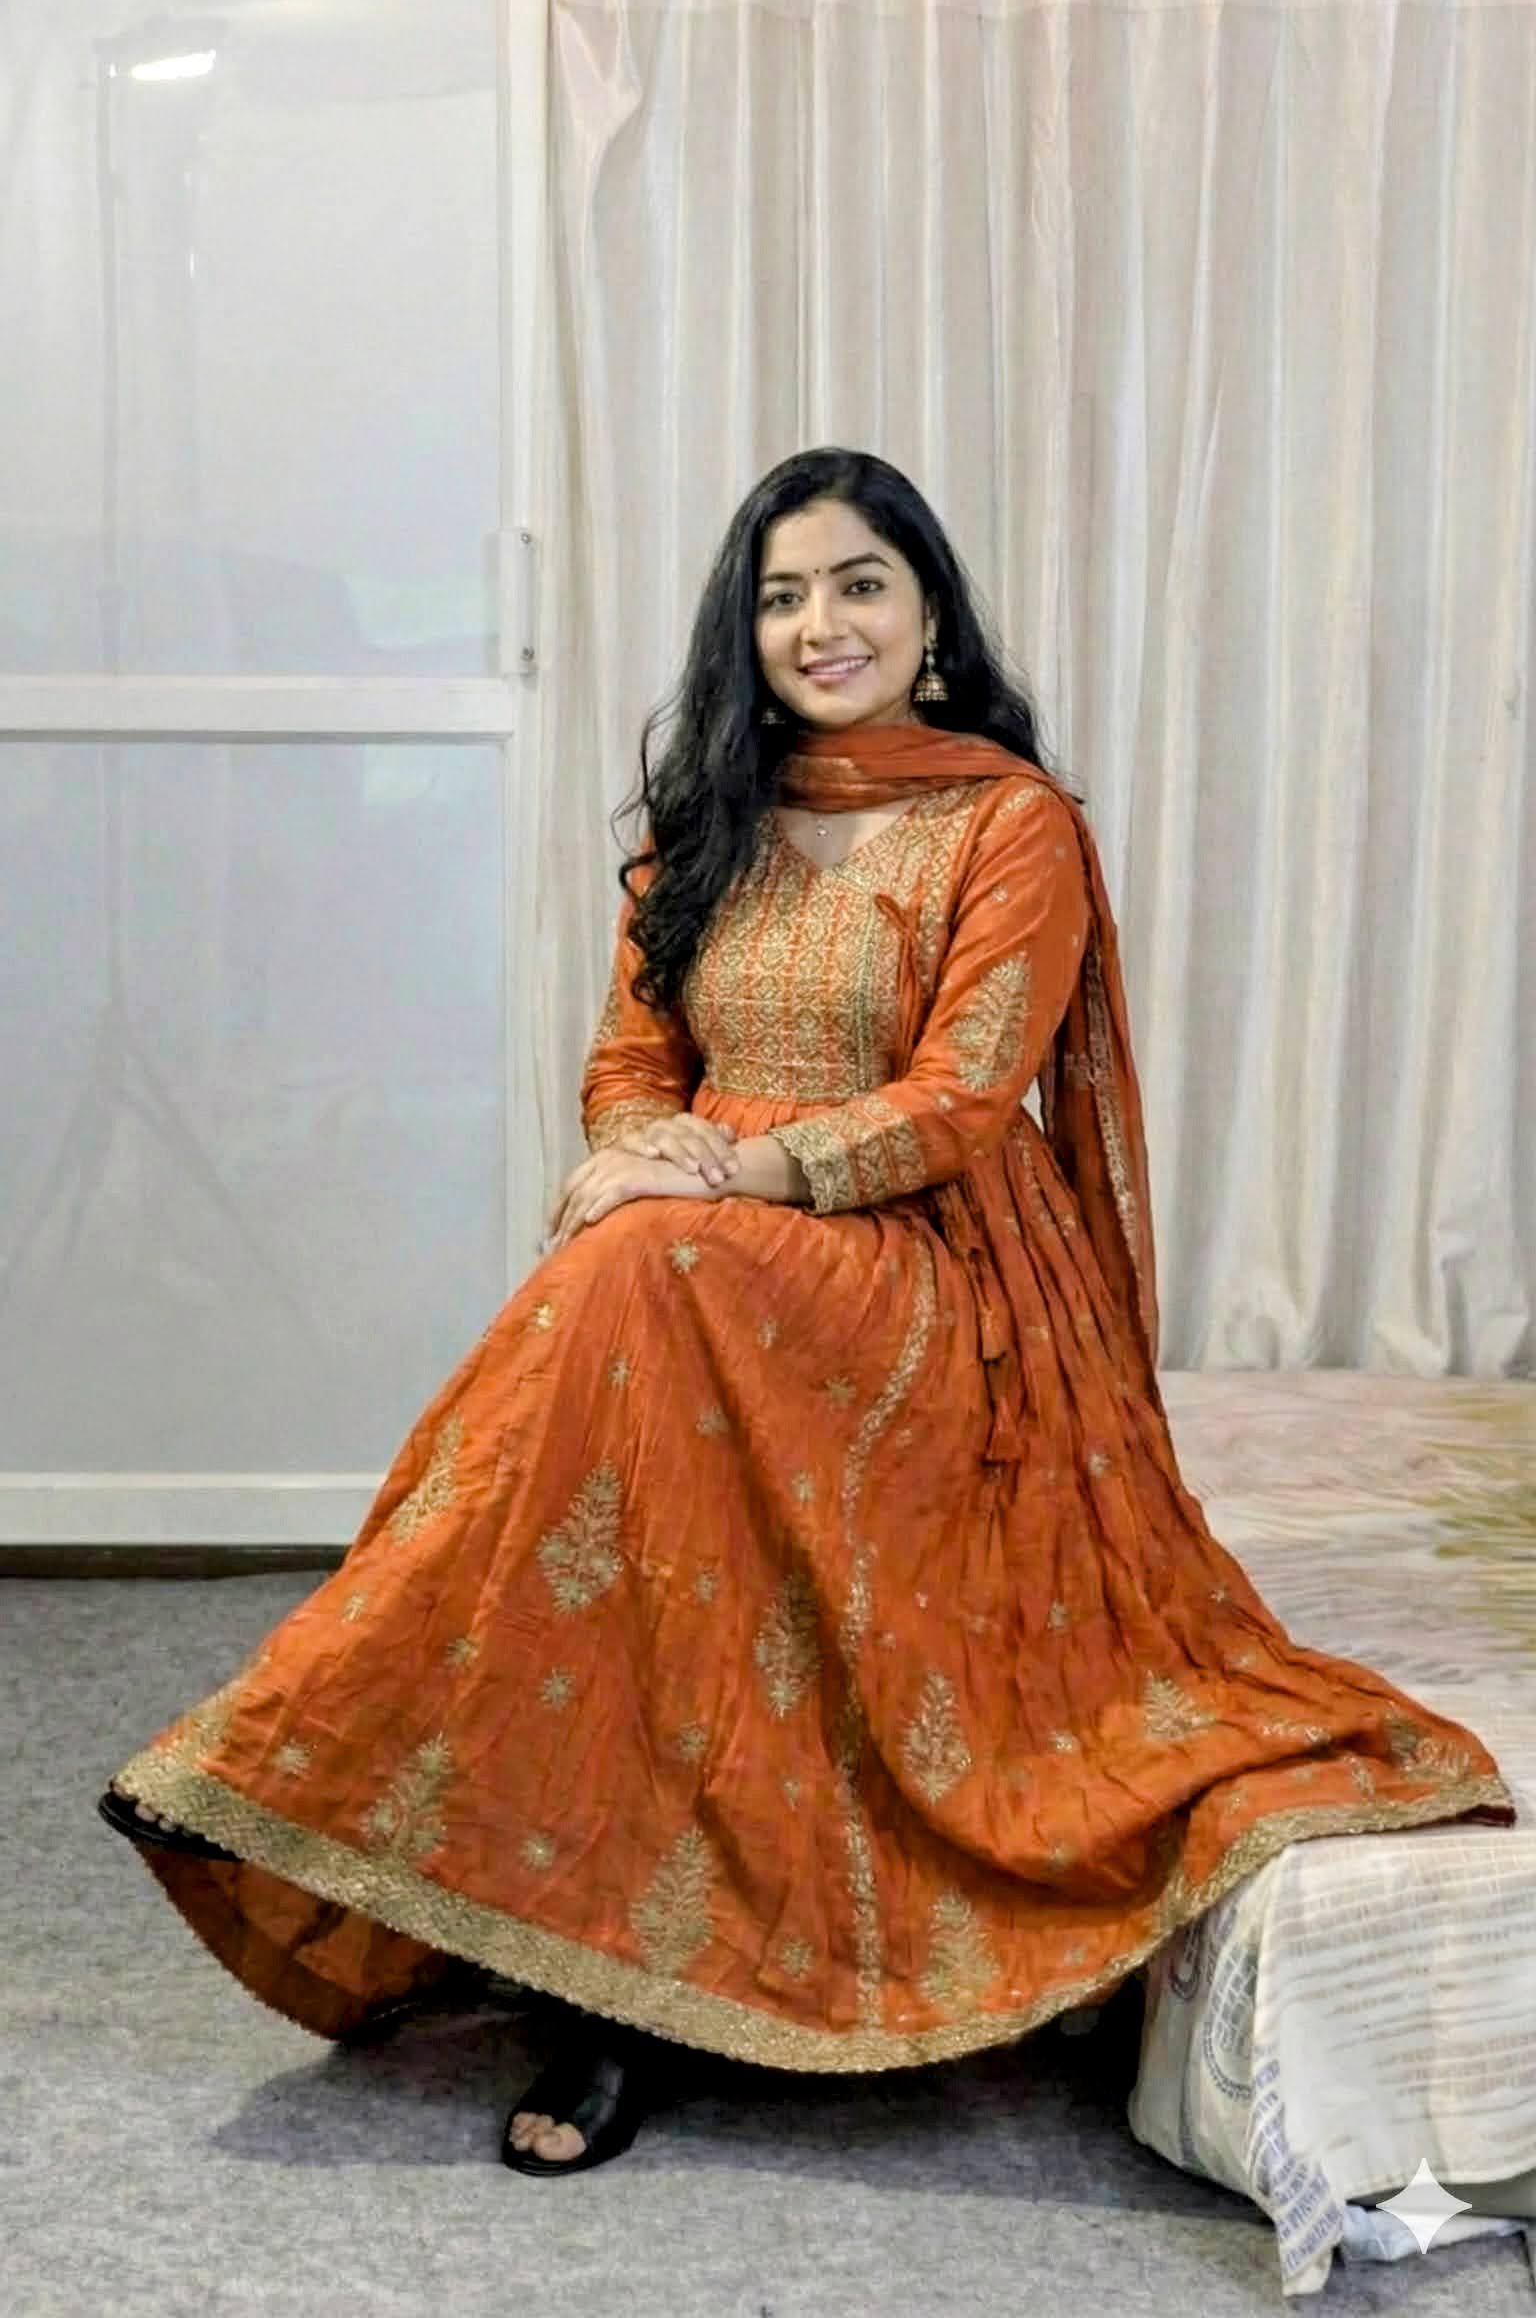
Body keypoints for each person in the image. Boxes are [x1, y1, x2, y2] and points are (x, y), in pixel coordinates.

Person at [100, 446, 1515, 2178]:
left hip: (932, 1270)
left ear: (928, 619)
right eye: (781, 595)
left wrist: (724, 1186)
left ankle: (341, 1753)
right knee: (633, 1348)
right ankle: (605, 1971)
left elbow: (965, 1101)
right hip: (704, 1259)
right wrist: (641, 1154)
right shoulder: (708, 819)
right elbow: (633, 1063)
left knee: (637, 1278)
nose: (817, 623)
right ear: (744, 630)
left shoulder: (1010, 823)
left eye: (858, 585)